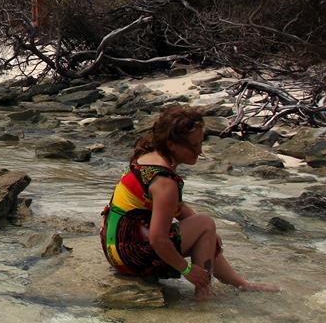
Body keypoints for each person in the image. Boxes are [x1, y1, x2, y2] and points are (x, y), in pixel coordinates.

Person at [100, 105, 278, 300]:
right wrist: (186, 270)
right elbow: (158, 239)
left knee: (205, 229)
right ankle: (203, 295)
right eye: (193, 146)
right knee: (205, 223)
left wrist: (209, 235)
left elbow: (177, 208)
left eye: (200, 143)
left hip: (115, 251)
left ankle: (241, 284)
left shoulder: (146, 158)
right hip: (133, 257)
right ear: (172, 144)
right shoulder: (165, 182)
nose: (199, 151)